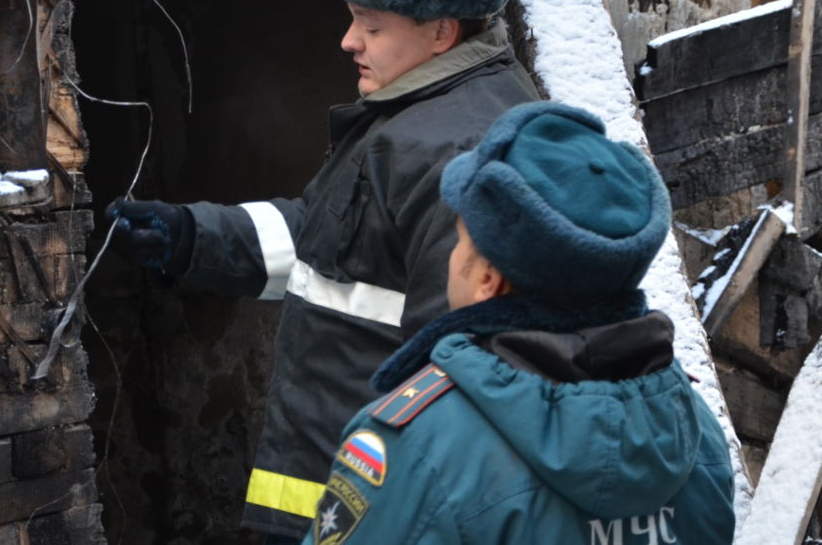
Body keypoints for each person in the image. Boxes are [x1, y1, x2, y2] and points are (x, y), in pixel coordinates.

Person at [107, 0, 539, 541]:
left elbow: (457, 382)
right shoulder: (410, 117)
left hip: (369, 514)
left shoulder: (457, 154)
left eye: (370, 24)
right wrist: (191, 236)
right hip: (327, 495)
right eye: (351, 19)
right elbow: (326, 242)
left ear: (442, 31)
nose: (348, 41)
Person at [303, 101, 737, 545]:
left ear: (487, 280)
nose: (452, 258)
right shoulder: (693, 428)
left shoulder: (419, 447)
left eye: (461, 239)